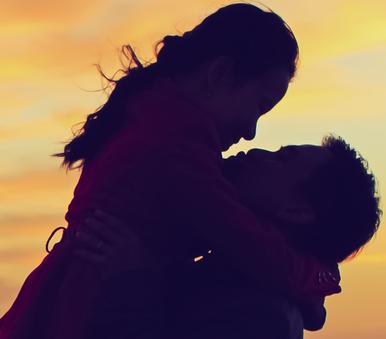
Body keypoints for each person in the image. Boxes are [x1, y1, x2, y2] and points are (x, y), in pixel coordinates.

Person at [0, 4, 340, 339]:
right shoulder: (174, 149)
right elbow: (253, 247)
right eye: (259, 106)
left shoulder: (156, 121)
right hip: (82, 312)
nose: (251, 131)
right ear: (219, 74)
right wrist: (319, 279)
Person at [72, 136, 382, 339]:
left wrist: (130, 278)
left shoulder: (263, 318)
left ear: (296, 211)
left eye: (282, 158)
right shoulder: (237, 279)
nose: (257, 150)